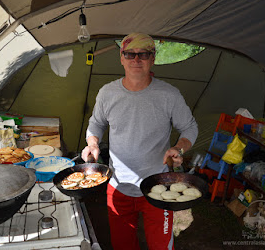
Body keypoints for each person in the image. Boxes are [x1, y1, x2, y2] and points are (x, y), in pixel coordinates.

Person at [81, 32, 198, 250]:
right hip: (118, 186)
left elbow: (190, 127)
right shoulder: (107, 93)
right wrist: (93, 143)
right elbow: (96, 123)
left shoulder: (168, 94)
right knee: (123, 245)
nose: (137, 59)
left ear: (153, 58)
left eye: (143, 54)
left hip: (158, 186)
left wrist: (179, 148)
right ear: (121, 57)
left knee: (161, 246)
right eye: (130, 54)